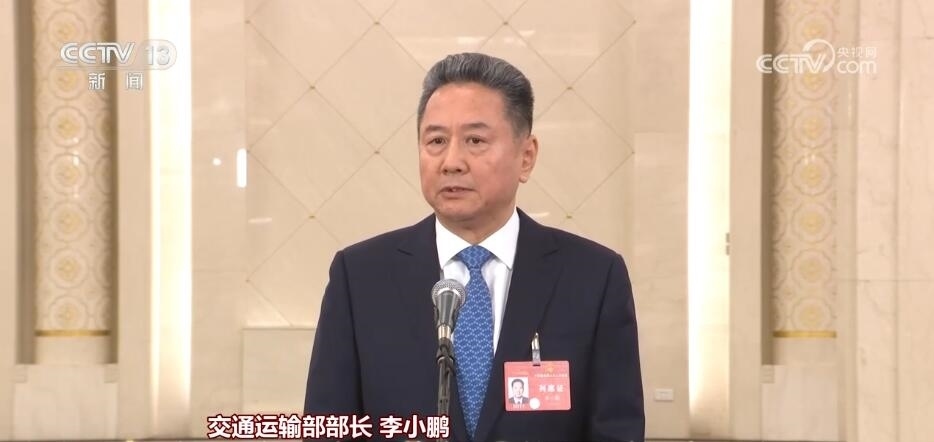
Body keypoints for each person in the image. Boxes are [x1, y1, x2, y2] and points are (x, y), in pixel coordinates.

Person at [304, 52, 644, 442]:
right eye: (436, 141)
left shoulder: (593, 277)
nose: (451, 162)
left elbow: (616, 429)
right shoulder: (360, 277)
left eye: (475, 141)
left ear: (526, 157)